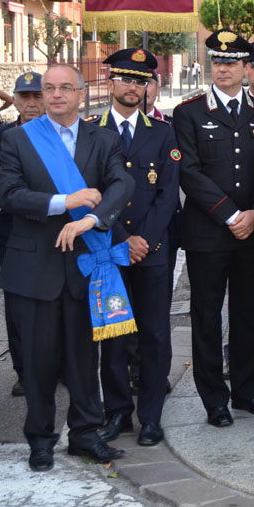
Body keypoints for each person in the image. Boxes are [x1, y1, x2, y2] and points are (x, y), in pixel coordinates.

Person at [0, 63, 134, 471]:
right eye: (48, 88)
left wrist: (92, 219)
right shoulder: (17, 139)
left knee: (82, 358)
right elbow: (8, 193)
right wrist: (66, 202)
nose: (55, 95)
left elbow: (122, 185)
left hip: (85, 266)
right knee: (37, 363)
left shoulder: (103, 139)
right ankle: (40, 440)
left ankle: (86, 434)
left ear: (80, 93)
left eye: (64, 88)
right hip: (33, 269)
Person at [172, 30, 254, 428]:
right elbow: (188, 171)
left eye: (232, 62)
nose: (223, 69)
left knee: (250, 313)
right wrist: (230, 215)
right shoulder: (189, 112)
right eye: (217, 61)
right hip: (209, 233)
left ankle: (247, 391)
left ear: (245, 68)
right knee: (206, 316)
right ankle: (213, 399)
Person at [88, 49, 180, 448]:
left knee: (154, 334)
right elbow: (92, 195)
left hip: (152, 250)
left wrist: (143, 240)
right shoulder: (92, 131)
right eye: (125, 79)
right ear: (110, 82)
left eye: (140, 81)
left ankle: (151, 416)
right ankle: (117, 411)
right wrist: (122, 241)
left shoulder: (162, 132)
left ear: (148, 87)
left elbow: (167, 193)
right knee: (112, 331)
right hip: (108, 251)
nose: (132, 87)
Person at [0, 71, 45, 397]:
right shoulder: (2, 137)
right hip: (14, 234)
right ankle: (23, 371)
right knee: (17, 307)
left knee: (57, 303)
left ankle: (58, 366)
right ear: (16, 100)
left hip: (54, 233)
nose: (32, 103)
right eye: (25, 97)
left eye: (38, 96)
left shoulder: (61, 135)